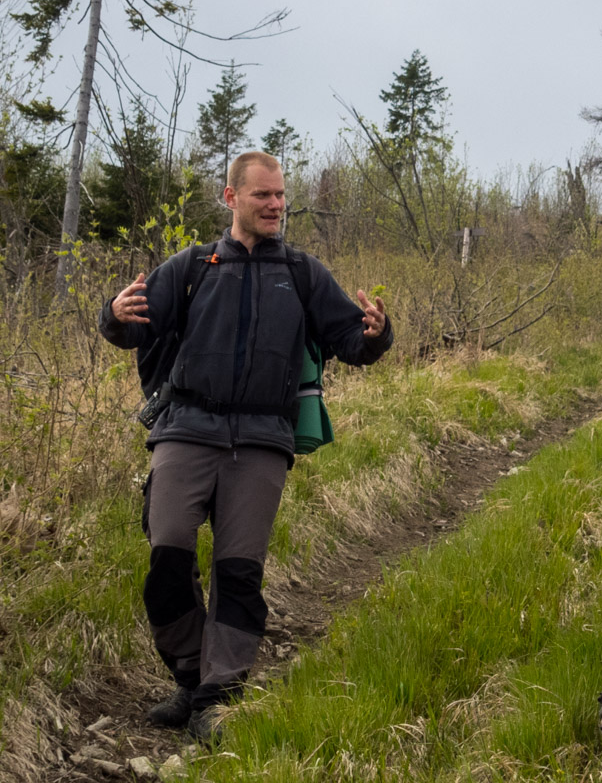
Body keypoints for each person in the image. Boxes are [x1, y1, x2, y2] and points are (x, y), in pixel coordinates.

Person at [99, 151, 393, 739]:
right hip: (185, 428)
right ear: (231, 198)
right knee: (168, 556)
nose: (276, 206)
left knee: (238, 571)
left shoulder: (303, 273)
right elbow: (134, 327)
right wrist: (113, 316)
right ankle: (190, 676)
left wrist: (377, 334)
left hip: (262, 439)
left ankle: (217, 697)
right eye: (263, 196)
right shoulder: (192, 267)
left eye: (281, 196)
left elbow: (349, 341)